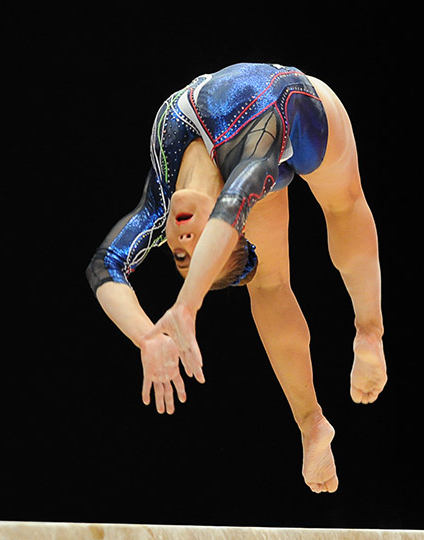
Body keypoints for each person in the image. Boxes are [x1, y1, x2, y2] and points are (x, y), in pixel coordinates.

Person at [85, 63, 387, 493]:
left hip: (258, 157)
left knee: (313, 228)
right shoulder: (237, 190)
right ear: (237, 229)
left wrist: (147, 337)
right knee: (322, 225)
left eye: (178, 255)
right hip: (299, 116)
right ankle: (315, 418)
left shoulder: (158, 205)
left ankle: (368, 334)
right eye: (197, 253)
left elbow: (104, 265)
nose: (184, 241)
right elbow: (229, 209)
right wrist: (186, 305)